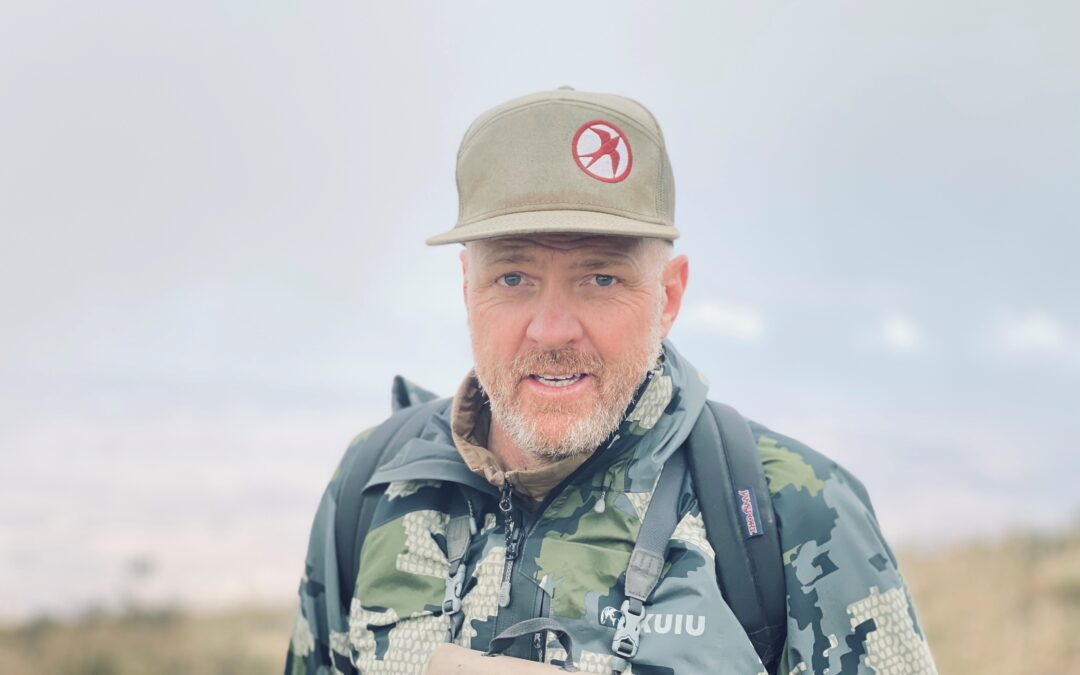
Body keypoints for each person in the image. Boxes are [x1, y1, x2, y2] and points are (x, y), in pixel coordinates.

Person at [284, 87, 938, 675]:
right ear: (466, 289)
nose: (552, 330)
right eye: (513, 277)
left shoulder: (794, 511)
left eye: (600, 278)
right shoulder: (375, 486)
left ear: (668, 296)